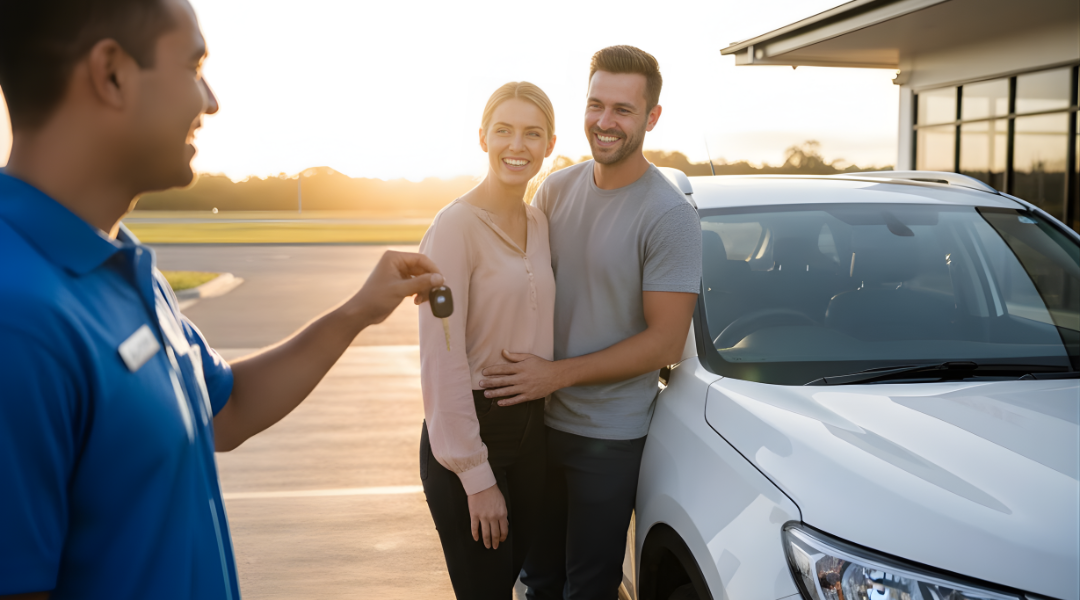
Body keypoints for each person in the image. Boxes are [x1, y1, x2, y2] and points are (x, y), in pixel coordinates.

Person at [0, 1, 442, 598]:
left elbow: (225, 414)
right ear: (111, 74)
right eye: (193, 65)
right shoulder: (18, 320)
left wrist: (357, 312)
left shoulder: (123, 262)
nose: (209, 100)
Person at [479, 46, 703, 599]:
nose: (605, 122)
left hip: (608, 437)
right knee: (538, 581)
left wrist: (555, 375)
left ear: (651, 117)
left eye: (623, 110)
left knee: (590, 585)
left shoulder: (670, 215)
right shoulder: (555, 190)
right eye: (596, 104)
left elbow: (665, 341)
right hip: (536, 424)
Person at [417, 81, 558, 599]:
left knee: (511, 585)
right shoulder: (453, 227)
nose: (516, 146)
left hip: (531, 432)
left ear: (549, 144)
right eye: (503, 130)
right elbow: (441, 360)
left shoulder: (539, 223)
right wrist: (477, 477)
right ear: (482, 138)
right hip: (473, 431)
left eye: (531, 134)